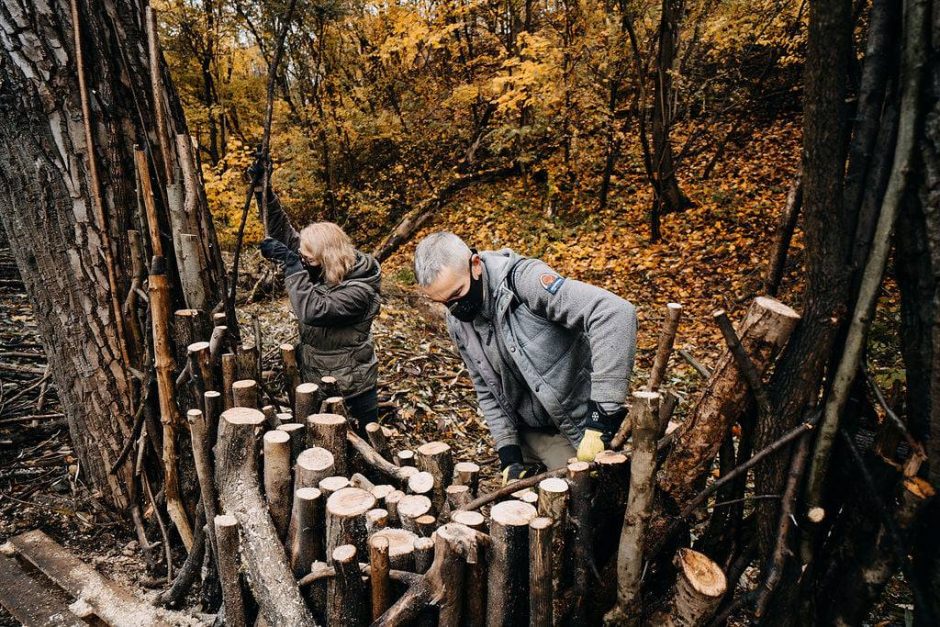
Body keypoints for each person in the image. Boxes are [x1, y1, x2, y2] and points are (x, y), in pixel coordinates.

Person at [413, 232, 637, 483]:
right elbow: (486, 387)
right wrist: (508, 453)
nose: (455, 309)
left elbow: (614, 314)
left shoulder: (524, 281)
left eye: (457, 294)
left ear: (475, 265)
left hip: (577, 426)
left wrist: (601, 418)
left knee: (587, 506)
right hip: (527, 435)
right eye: (444, 302)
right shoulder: (458, 322)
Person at [250, 159, 382, 430]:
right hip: (319, 376)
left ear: (327, 257)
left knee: (362, 444)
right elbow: (283, 233)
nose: (304, 261)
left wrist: (292, 265)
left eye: (308, 260)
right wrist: (265, 191)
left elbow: (312, 310)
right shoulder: (326, 263)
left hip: (352, 389)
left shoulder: (360, 292)